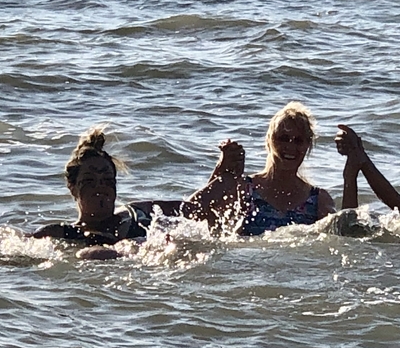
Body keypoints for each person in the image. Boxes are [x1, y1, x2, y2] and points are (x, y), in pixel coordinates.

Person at [30, 127, 185, 259]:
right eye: (90, 181)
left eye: (107, 180)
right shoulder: (59, 233)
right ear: (72, 187)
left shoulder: (138, 213)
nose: (100, 187)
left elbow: (197, 207)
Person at [186, 102, 336, 235]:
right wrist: (223, 171)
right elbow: (194, 214)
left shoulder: (318, 200)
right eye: (283, 138)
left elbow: (345, 240)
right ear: (269, 141)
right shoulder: (245, 188)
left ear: (308, 146)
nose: (290, 147)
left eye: (298, 141)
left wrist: (351, 171)